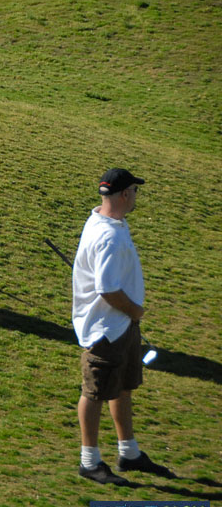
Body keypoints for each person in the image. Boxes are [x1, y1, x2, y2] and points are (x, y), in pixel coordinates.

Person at [72, 168, 174, 485]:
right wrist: (135, 310)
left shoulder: (106, 222)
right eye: (134, 191)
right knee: (95, 393)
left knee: (122, 388)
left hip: (122, 325)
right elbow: (107, 290)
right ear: (125, 194)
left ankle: (129, 452)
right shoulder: (109, 237)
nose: (136, 197)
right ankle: (89, 461)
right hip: (106, 329)